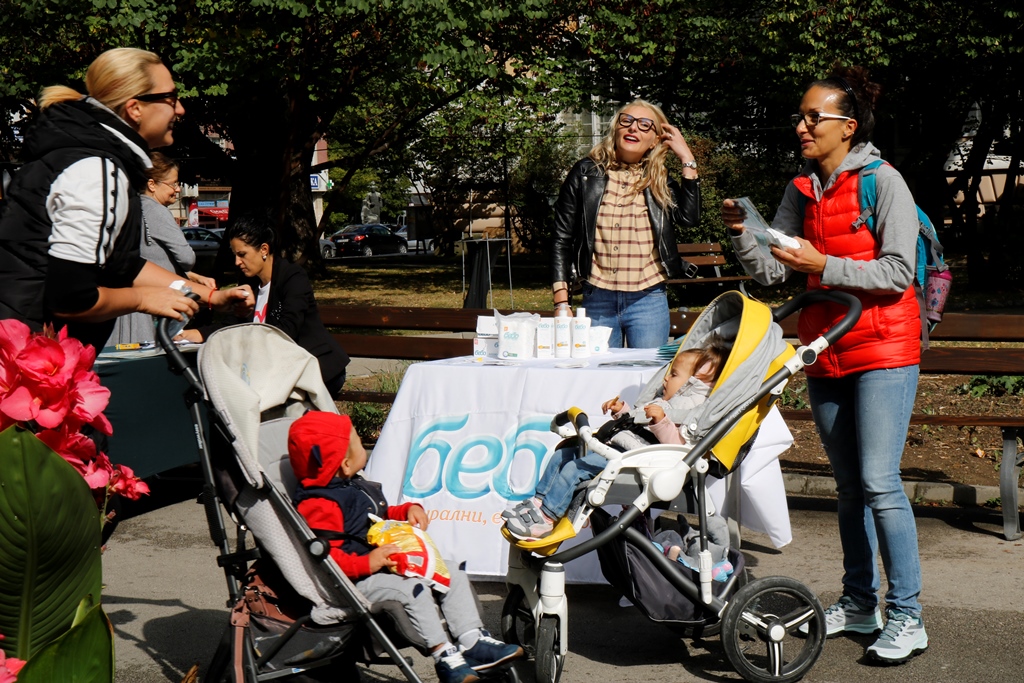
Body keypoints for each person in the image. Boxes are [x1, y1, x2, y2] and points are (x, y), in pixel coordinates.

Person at [722, 66, 927, 664]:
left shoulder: (884, 182)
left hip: (883, 348)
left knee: (880, 483)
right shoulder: (801, 189)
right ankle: (860, 601)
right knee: (848, 488)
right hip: (825, 348)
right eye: (801, 116)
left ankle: (908, 615)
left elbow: (898, 272)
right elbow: (771, 271)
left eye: (815, 117)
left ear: (849, 126)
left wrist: (824, 263)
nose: (802, 126)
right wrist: (744, 234)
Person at [0, 47, 252, 350]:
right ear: (135, 109)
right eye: (171, 98)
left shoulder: (88, 157)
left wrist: (208, 295)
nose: (180, 109)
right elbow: (70, 299)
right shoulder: (96, 169)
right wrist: (143, 299)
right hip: (24, 358)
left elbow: (123, 265)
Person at [287, 411, 524, 683]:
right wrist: (368, 563)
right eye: (358, 441)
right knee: (414, 588)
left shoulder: (351, 485)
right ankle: (444, 655)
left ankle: (472, 640)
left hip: (385, 564)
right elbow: (327, 558)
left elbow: (379, 515)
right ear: (345, 463)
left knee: (452, 571)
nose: (362, 444)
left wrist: (406, 510)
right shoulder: (320, 505)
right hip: (357, 580)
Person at [503, 341, 726, 540]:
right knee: (561, 455)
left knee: (574, 468)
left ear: (692, 384)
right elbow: (637, 426)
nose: (666, 378)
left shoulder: (690, 411)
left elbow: (678, 448)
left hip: (635, 460)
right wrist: (622, 412)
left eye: (674, 374)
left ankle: (546, 518)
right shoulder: (666, 401)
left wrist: (661, 422)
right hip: (619, 448)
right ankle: (538, 503)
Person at [551, 99, 701, 349]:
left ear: (654, 140)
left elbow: (688, 218)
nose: (633, 128)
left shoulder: (659, 179)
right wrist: (561, 302)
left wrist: (687, 156)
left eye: (645, 125)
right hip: (597, 297)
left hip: (648, 299)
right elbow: (561, 239)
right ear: (616, 128)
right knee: (598, 373)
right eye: (627, 121)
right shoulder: (585, 173)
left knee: (646, 372)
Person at [180, 213, 350, 398]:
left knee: (252, 397)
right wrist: (190, 335)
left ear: (264, 249)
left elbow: (287, 330)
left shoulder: (292, 277)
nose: (237, 262)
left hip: (318, 368)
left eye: (242, 254)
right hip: (280, 373)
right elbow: (230, 326)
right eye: (235, 255)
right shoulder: (250, 283)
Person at [106, 152, 216, 345]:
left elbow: (150, 259)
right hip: (153, 304)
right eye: (173, 184)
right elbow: (187, 258)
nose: (178, 189)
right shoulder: (157, 210)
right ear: (152, 184)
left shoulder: (128, 208)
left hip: (127, 302)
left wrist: (193, 276)